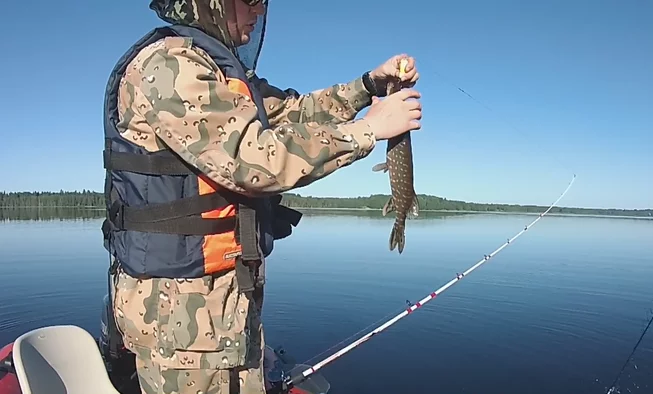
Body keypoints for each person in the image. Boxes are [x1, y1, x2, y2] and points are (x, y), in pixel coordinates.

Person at [101, 0, 422, 393]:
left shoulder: (216, 70)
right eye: (250, 0)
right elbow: (252, 160)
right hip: (182, 321)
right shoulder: (169, 66)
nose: (259, 11)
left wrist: (369, 85)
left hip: (221, 309)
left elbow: (296, 112)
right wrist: (368, 130)